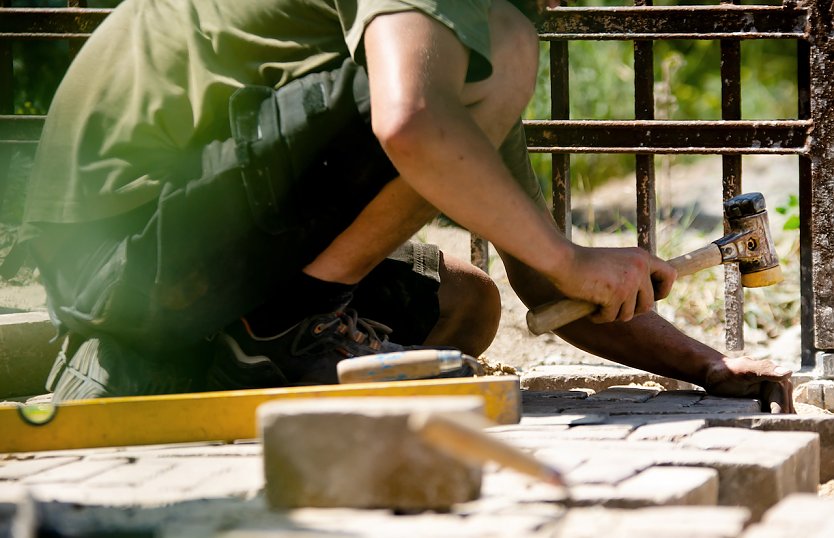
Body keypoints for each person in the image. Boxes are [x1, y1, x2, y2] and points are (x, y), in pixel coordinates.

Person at [21, 0, 793, 411]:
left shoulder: (442, 47)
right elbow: (412, 123)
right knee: (505, 38)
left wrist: (708, 364)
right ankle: (287, 326)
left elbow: (540, 284)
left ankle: (266, 333)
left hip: (182, 240)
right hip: (123, 247)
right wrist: (572, 257)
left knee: (466, 299)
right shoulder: (469, 28)